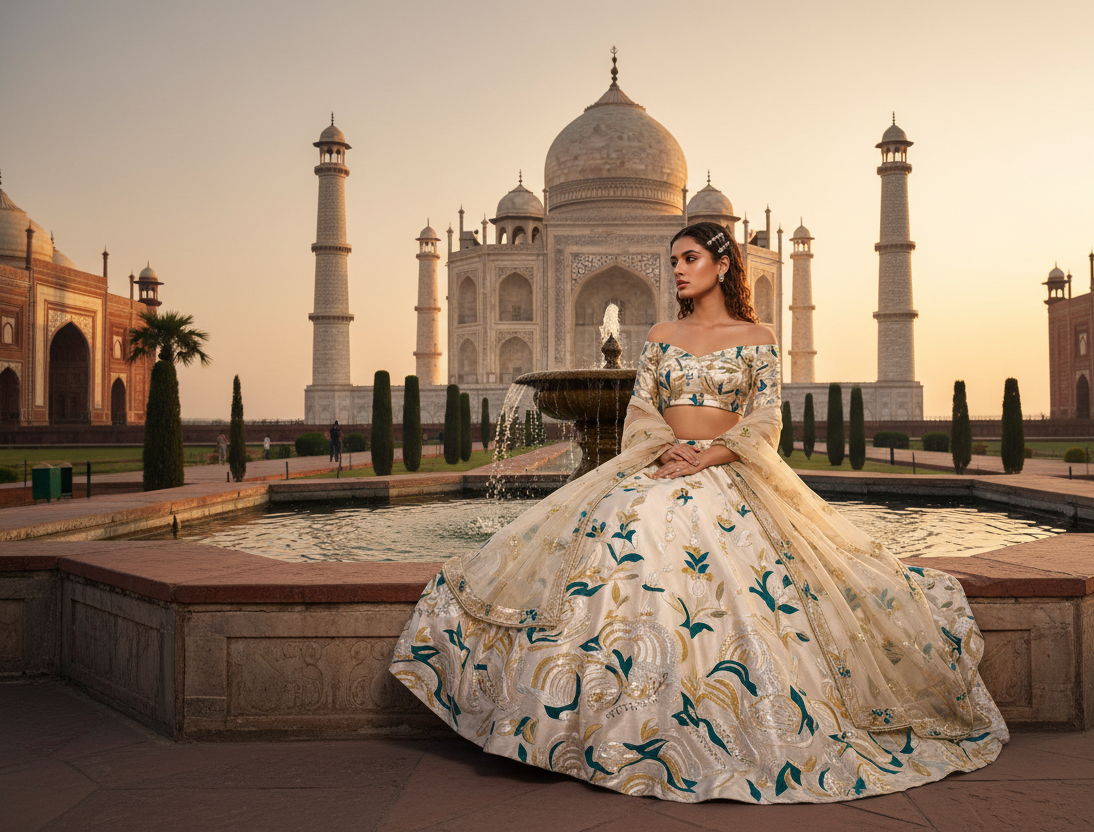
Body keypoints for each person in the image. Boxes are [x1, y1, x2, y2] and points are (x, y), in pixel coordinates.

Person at [391, 223, 1007, 803]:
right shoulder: (661, 336)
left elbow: (765, 418)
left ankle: (737, 726)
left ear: (722, 264)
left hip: (732, 473)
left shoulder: (757, 339)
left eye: (690, 259)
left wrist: (710, 452)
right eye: (674, 262)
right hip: (660, 464)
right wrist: (669, 450)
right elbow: (640, 410)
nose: (679, 271)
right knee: (620, 536)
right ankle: (608, 721)